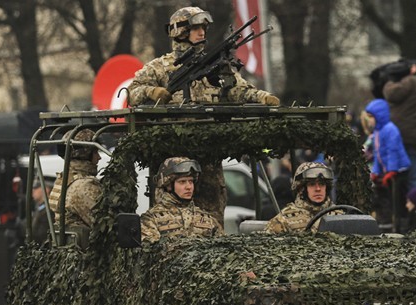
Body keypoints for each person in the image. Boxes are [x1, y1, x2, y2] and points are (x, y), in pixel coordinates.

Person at [128, 6, 279, 107]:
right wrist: (152, 92)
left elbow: (239, 90)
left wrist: (263, 97)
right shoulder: (158, 67)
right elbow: (131, 94)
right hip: (172, 138)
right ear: (181, 32)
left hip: (210, 136)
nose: (202, 33)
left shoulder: (212, 63)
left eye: (204, 28)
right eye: (196, 28)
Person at [383, 57, 416, 190]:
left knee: (398, 176)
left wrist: (390, 81)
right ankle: (415, 205)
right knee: (414, 177)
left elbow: (392, 94)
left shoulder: (412, 81)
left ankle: (401, 207)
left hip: (401, 136)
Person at [141, 157, 222, 242]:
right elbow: (150, 251)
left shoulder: (207, 219)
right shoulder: (151, 218)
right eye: (182, 182)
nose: (189, 187)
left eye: (191, 181)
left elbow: (224, 247)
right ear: (169, 185)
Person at [365, 98, 411, 232]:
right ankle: (394, 223)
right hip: (389, 172)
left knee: (398, 201)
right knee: (390, 199)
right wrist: (376, 172)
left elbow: (393, 151)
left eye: (371, 117)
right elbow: (378, 153)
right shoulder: (378, 132)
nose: (369, 120)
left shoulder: (390, 130)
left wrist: (391, 170)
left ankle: (402, 226)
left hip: (399, 171)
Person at [265, 162, 341, 233]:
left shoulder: (339, 216)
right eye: (312, 184)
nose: (318, 189)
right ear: (301, 189)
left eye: (321, 184)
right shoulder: (284, 220)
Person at [48, 129, 101, 230]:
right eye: (95, 152)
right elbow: (106, 226)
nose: (99, 157)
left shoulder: (66, 178)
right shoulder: (84, 186)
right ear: (85, 154)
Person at [31, 177, 53, 244]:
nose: (33, 190)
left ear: (46, 189)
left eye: (36, 187)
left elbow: (41, 235)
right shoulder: (40, 208)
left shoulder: (50, 211)